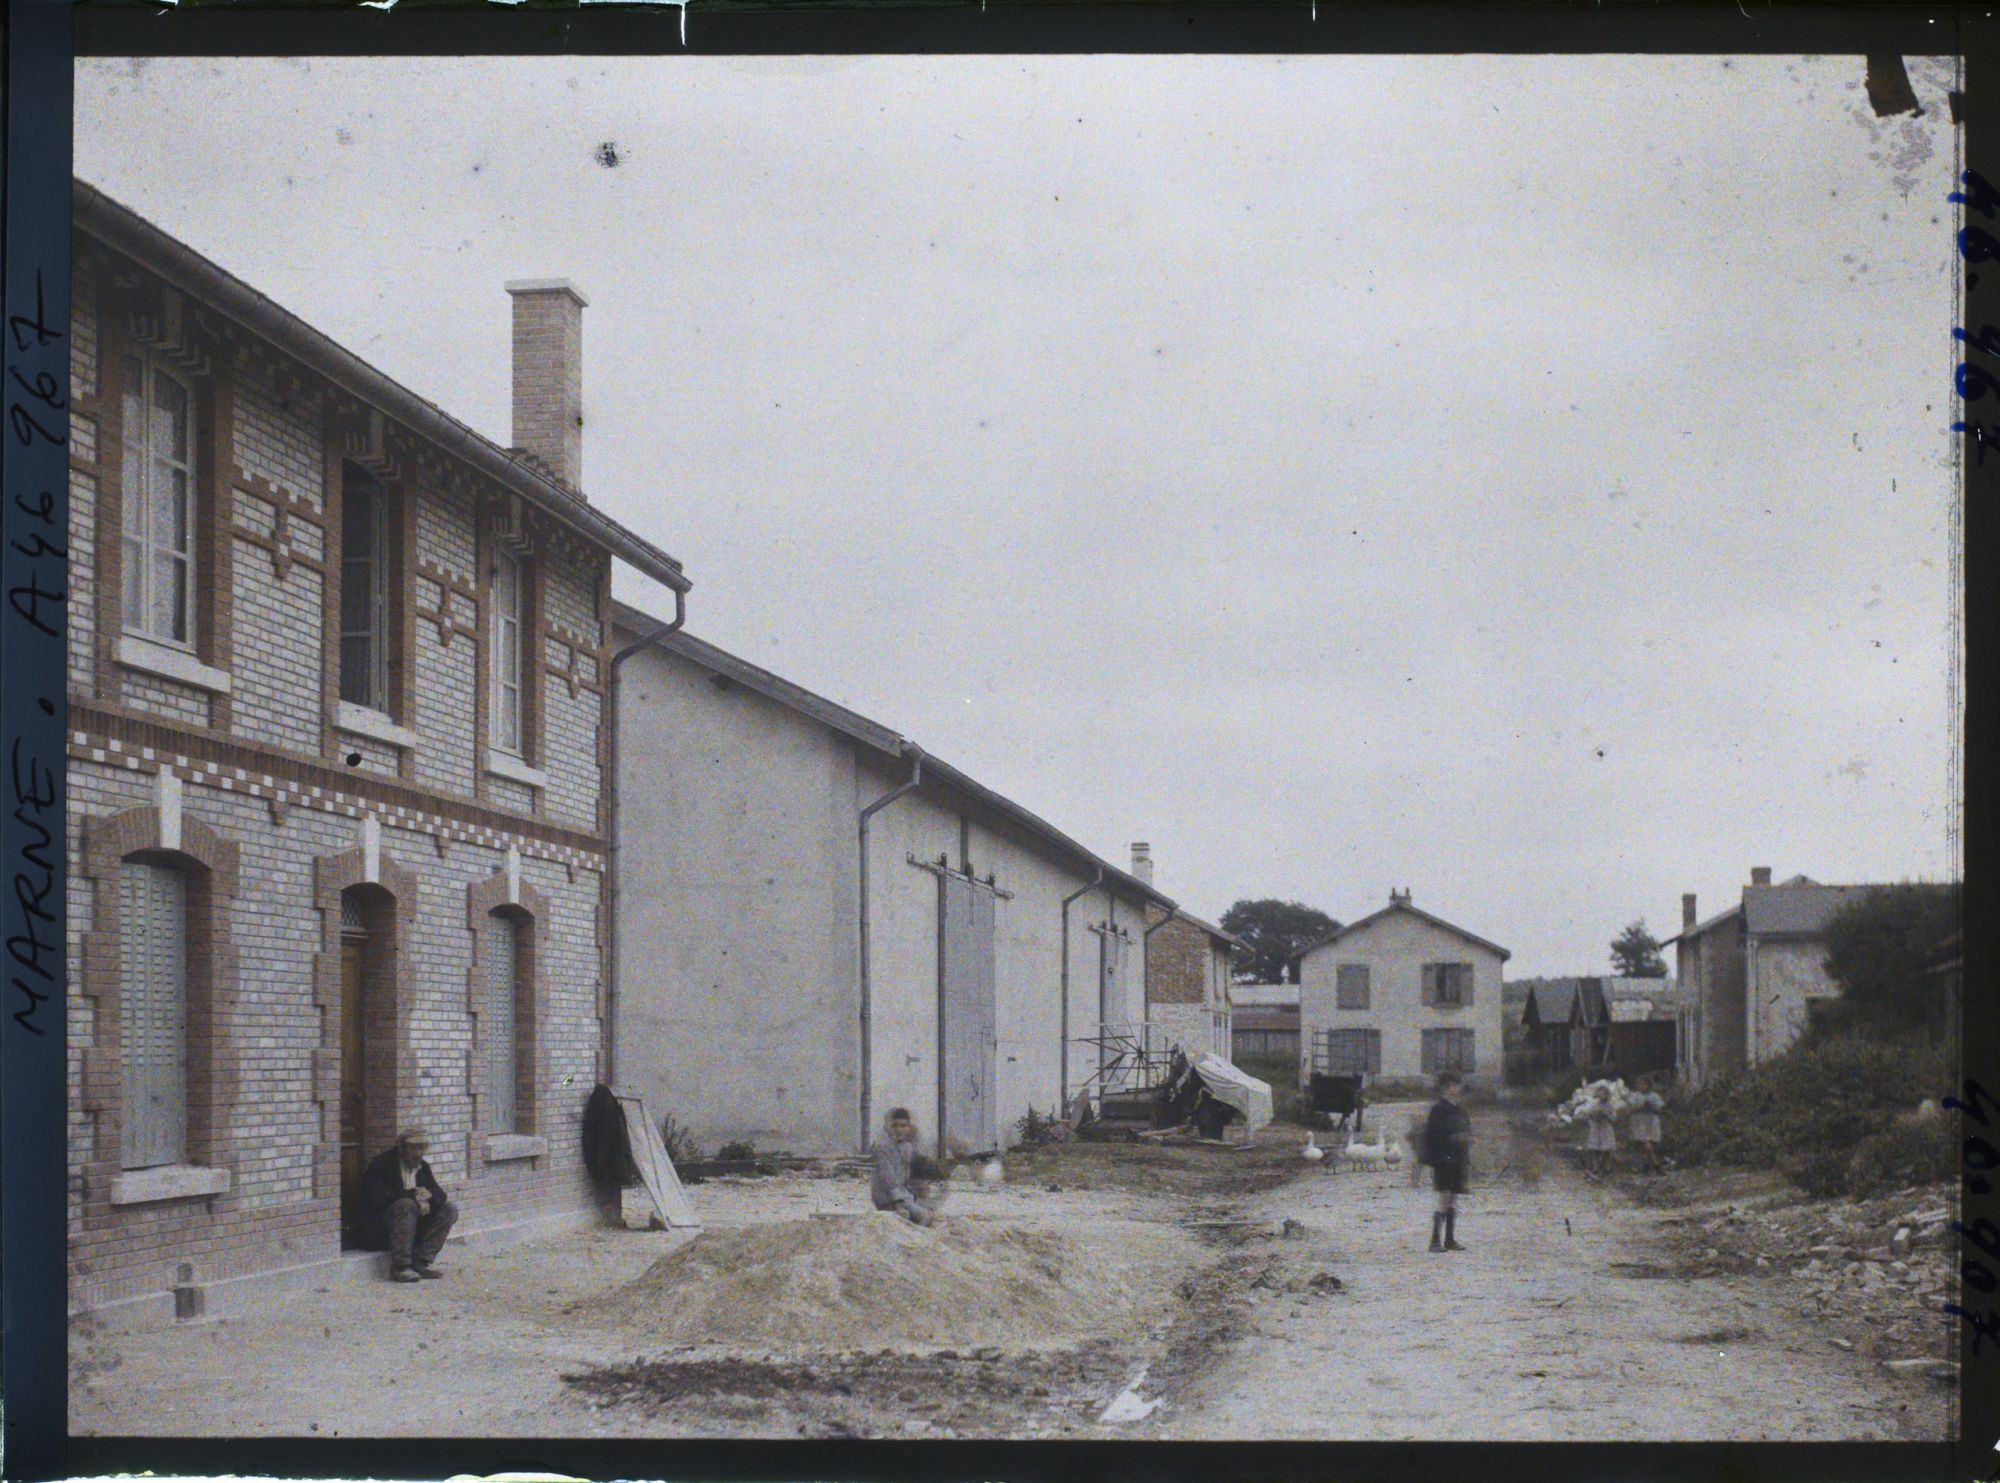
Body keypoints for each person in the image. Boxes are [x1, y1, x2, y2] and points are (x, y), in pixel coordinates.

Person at [358, 1128, 458, 1282]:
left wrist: (429, 1194)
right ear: (401, 1147)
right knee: (406, 1204)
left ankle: (421, 1261)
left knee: (449, 1209)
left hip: (412, 1227)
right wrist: (413, 1196)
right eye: (413, 1148)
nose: (418, 1153)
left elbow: (440, 1194)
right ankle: (401, 1267)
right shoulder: (382, 1164)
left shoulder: (422, 1166)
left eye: (421, 1148)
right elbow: (375, 1198)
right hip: (381, 1229)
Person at [1425, 1073, 1472, 1252]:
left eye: (1457, 1085)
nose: (1457, 1089)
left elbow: (1467, 1129)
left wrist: (1467, 1140)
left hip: (1458, 1159)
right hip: (1444, 1160)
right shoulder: (1438, 1110)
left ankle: (1450, 1239)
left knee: (1453, 1199)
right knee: (1444, 1198)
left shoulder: (1461, 1110)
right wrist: (1452, 1139)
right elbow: (1432, 1137)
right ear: (1445, 1088)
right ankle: (1435, 1240)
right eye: (1453, 1085)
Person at [870, 1107, 936, 1226]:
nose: (898, 1129)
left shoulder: (908, 1148)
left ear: (908, 1128)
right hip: (887, 1198)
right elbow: (887, 1178)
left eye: (903, 1126)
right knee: (923, 1218)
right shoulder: (883, 1148)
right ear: (889, 1128)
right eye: (895, 1125)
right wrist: (898, 1204)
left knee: (929, 1216)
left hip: (904, 1197)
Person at [1626, 1074, 1664, 1172]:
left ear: (1649, 1085)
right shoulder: (1635, 1095)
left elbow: (1660, 1108)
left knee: (1647, 1144)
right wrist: (1640, 1105)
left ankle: (1647, 1164)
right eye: (1640, 1084)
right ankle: (1656, 1165)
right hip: (1639, 1122)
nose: (1642, 1087)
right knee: (1645, 1143)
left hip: (1651, 1121)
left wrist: (1650, 1105)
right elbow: (1630, 1108)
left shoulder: (1654, 1096)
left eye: (1644, 1084)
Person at [1580, 1087, 1619, 1180]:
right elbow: (1587, 1115)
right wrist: (1593, 1114)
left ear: (1608, 1095)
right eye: (1600, 1094)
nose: (1602, 1096)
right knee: (1595, 1148)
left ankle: (1606, 1165)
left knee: (1607, 1148)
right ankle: (1595, 1167)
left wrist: (1606, 1114)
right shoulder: (1594, 1105)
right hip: (1596, 1128)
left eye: (1604, 1094)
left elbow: (1614, 1118)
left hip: (1606, 1128)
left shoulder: (1610, 1106)